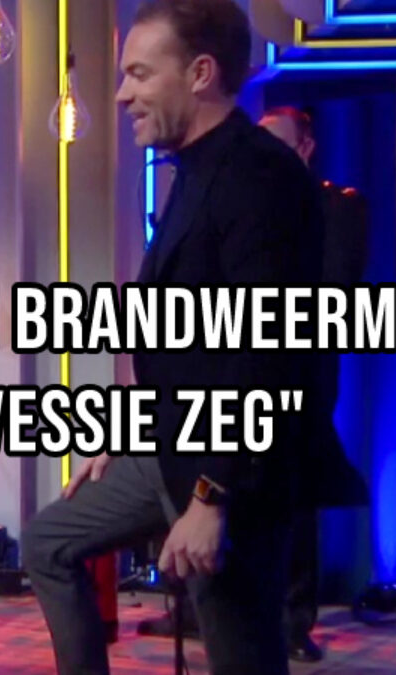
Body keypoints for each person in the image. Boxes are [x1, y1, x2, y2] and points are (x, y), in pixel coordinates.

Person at [21, 2, 324, 674]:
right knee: (49, 542)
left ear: (200, 73)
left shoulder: (260, 177)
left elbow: (268, 356)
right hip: (170, 448)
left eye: (138, 74)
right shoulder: (193, 170)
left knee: (243, 661)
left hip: (235, 474)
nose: (121, 94)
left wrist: (212, 496)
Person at [259, 105, 371, 663]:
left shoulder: (337, 206)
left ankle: (292, 621)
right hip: (240, 365)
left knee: (295, 494)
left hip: (303, 369)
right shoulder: (244, 205)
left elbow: (337, 287)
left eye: (276, 142)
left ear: (305, 147)